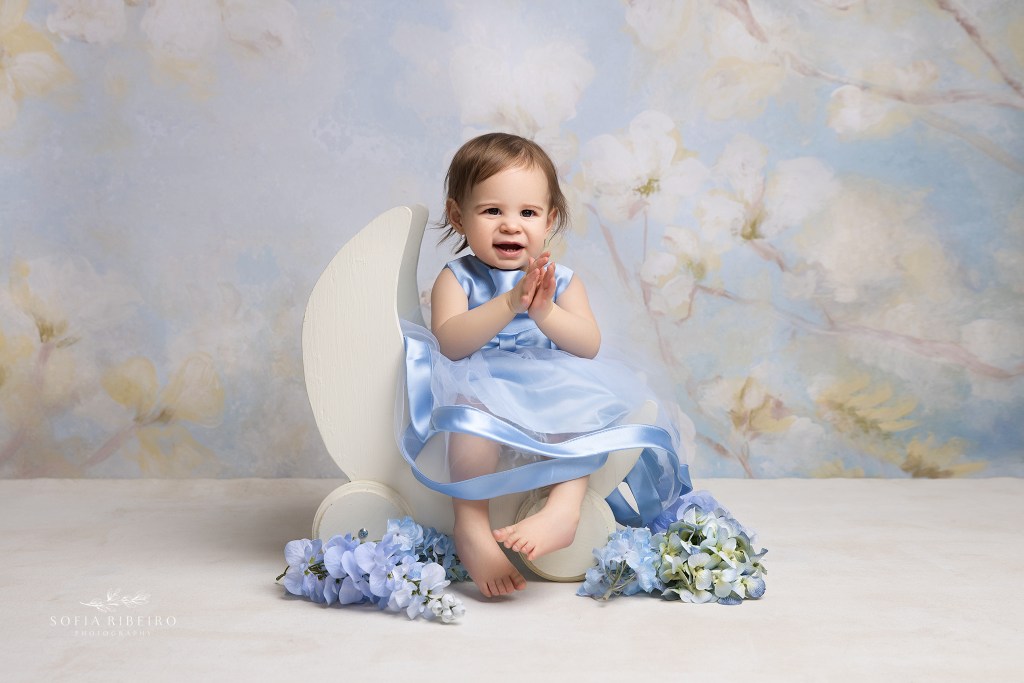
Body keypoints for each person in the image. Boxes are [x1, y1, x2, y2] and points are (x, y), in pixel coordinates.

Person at [397, 133, 691, 598]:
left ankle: (564, 509)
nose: (510, 226)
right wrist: (511, 302)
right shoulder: (457, 278)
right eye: (492, 211)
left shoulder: (563, 281)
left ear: (550, 219)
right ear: (459, 216)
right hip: (481, 378)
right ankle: (471, 524)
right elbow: (451, 343)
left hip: (551, 378)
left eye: (527, 213)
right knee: (471, 423)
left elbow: (588, 344)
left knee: (580, 412)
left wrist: (544, 312)